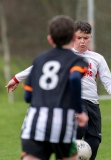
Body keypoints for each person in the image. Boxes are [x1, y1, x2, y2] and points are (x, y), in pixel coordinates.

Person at [6, 21, 111, 160]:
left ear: (91, 38)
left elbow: (108, 80)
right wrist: (17, 78)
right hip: (73, 100)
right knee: (79, 128)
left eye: (86, 38)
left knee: (94, 142)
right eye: (79, 38)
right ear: (73, 38)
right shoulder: (68, 56)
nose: (82, 42)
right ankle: (68, 147)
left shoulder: (97, 58)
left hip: (92, 103)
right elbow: (35, 68)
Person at [15, 15, 89, 160]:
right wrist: (79, 111)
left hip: (34, 124)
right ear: (74, 37)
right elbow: (74, 78)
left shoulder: (39, 59)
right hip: (62, 125)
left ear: (50, 39)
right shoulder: (77, 61)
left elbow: (27, 96)